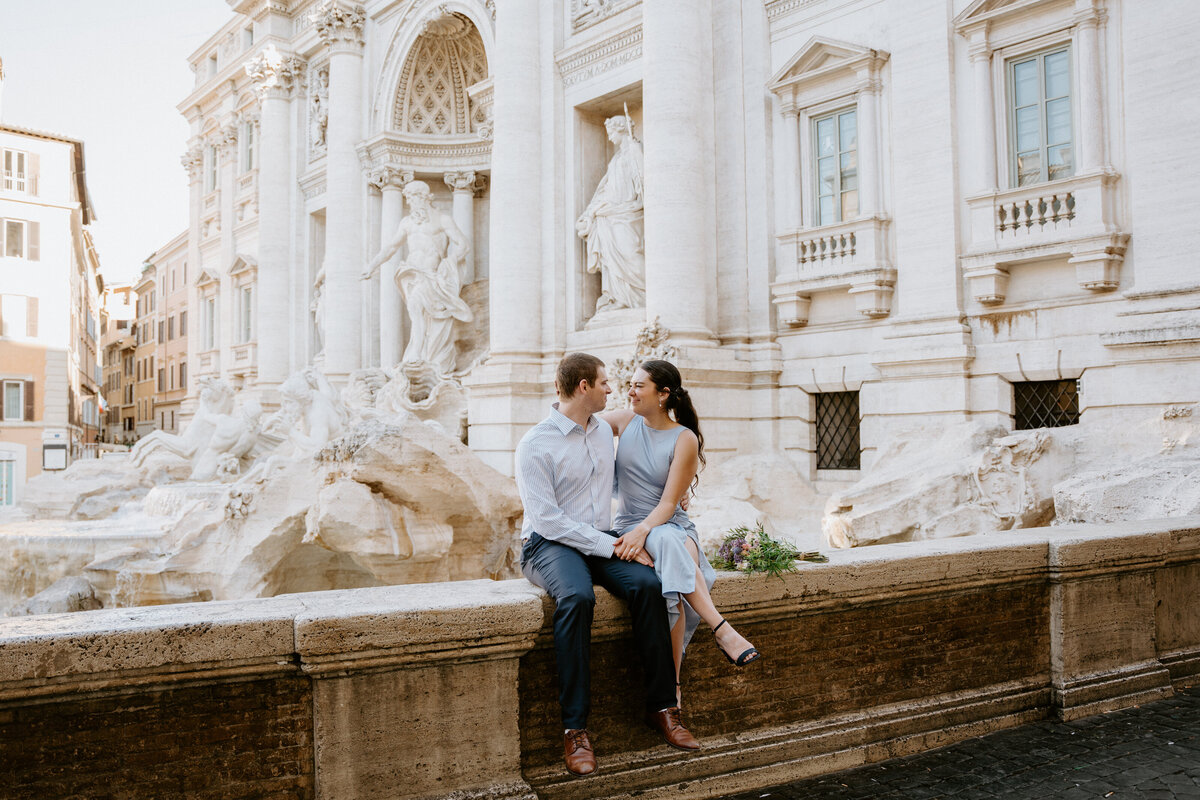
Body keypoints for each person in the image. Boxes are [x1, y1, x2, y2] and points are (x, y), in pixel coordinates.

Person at [516, 353, 699, 778]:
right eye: (603, 382)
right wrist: (611, 545)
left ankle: (662, 707)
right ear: (583, 387)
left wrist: (673, 497)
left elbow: (635, 468)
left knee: (650, 586)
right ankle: (575, 729)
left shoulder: (604, 430)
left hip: (601, 540)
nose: (612, 388)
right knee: (578, 599)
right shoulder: (535, 444)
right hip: (549, 545)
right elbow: (547, 521)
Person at [604, 359, 760, 708]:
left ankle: (678, 680)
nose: (629, 391)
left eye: (638, 385)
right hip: (631, 524)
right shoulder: (624, 421)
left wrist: (643, 532)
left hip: (667, 524)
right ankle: (720, 632)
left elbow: (668, 504)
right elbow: (576, 420)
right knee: (669, 559)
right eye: (630, 384)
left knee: (667, 540)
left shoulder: (684, 438)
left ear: (663, 394)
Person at [362, 180, 473, 377]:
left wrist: (450, 263)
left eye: (412, 198)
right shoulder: (407, 223)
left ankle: (419, 355)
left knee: (419, 309)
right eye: (407, 198)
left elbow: (463, 244)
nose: (409, 202)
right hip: (411, 273)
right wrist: (372, 265)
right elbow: (391, 247)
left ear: (423, 197)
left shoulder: (442, 219)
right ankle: (418, 354)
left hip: (432, 276)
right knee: (417, 311)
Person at [575, 114, 646, 312]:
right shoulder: (616, 158)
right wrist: (591, 212)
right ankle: (618, 297)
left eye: (611, 132)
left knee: (631, 253)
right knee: (611, 258)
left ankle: (642, 295)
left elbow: (643, 177)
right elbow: (605, 189)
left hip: (629, 211)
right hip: (611, 212)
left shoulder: (634, 150)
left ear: (622, 130)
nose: (609, 138)